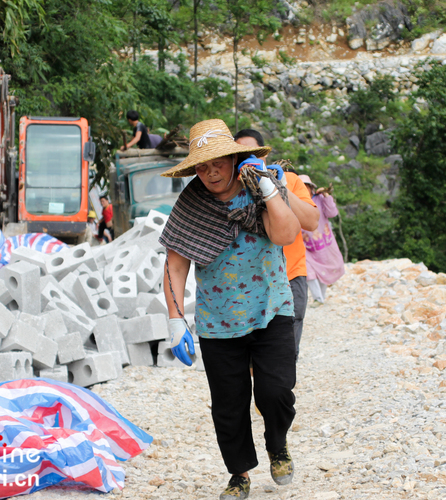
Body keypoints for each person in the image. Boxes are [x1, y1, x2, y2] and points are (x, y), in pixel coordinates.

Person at [159, 119, 300, 500]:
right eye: (201, 166)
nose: (210, 172)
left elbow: (286, 234)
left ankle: (278, 444)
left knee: (276, 392)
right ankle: (239, 475)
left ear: (234, 158)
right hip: (218, 324)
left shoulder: (262, 187)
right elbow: (175, 265)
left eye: (217, 162)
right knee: (228, 406)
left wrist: (268, 188)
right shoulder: (192, 201)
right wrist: (175, 320)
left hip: (272, 311)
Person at [233, 129, 319, 361]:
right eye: (241, 157)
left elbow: (311, 221)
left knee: (285, 352)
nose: (248, 160)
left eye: (254, 154)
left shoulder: (290, 180)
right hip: (251, 281)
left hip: (291, 274)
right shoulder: (232, 187)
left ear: (264, 155)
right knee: (252, 353)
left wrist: (276, 184)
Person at [299, 175, 345, 303]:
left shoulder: (319, 199)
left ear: (310, 188)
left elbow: (332, 213)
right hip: (305, 246)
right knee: (309, 272)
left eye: (306, 187)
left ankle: (321, 297)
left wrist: (326, 196)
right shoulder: (295, 203)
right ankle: (318, 298)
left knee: (323, 271)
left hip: (324, 245)